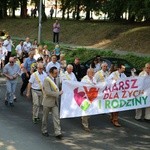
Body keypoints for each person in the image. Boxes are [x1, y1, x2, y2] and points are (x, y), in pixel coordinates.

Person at [41, 67, 63, 139]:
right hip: (47, 101)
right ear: (51, 73)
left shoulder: (57, 79)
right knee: (45, 117)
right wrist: (58, 94)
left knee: (56, 117)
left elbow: (59, 87)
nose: (57, 74)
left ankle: (58, 132)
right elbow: (48, 92)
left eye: (57, 73)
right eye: (55, 73)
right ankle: (44, 130)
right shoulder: (46, 80)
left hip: (55, 102)